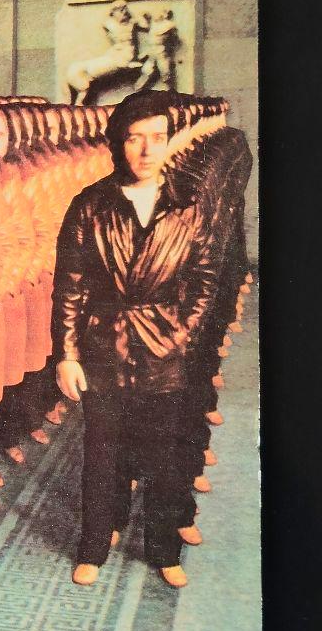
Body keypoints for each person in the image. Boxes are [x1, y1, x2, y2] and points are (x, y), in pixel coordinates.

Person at [53, 91, 219, 589]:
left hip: (164, 348)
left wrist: (180, 332)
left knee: (164, 457)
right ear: (117, 143)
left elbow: (205, 279)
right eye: (134, 138)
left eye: (157, 138)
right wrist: (67, 354)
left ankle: (164, 550)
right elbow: (70, 287)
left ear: (168, 143)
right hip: (103, 344)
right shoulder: (90, 205)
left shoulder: (188, 205)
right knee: (101, 454)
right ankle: (93, 546)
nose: (147, 150)